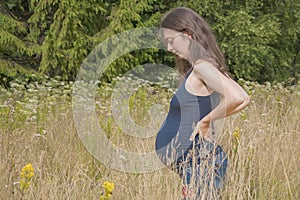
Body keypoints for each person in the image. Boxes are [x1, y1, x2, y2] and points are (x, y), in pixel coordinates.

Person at [155, 7, 250, 199]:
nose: (169, 48)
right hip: (194, 165)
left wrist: (206, 121)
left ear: (187, 35)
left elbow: (240, 97)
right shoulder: (202, 66)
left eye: (171, 41)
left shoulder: (202, 67)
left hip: (200, 164)